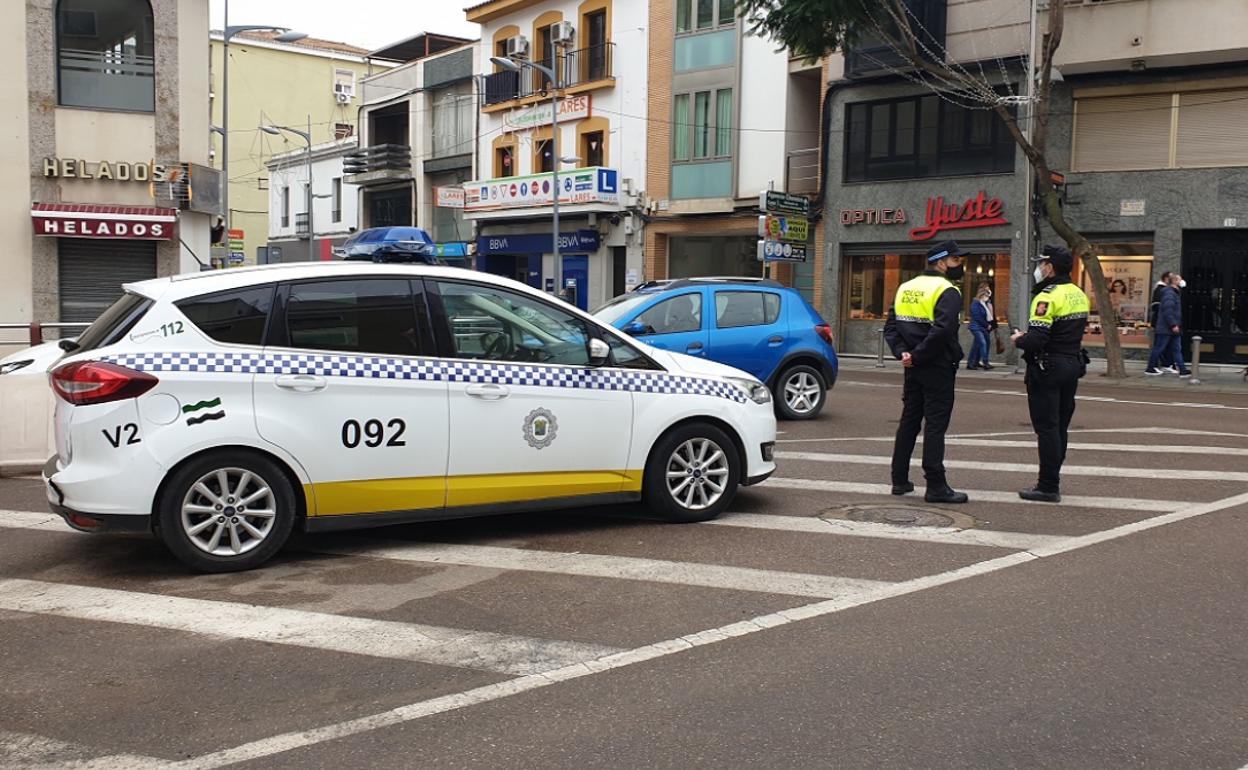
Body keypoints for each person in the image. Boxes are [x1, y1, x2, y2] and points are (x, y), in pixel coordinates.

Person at [884, 240, 969, 504]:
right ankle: (936, 486)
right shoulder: (948, 290)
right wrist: (918, 356)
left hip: (912, 366)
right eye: (957, 261)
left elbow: (891, 328)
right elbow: (943, 331)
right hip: (937, 365)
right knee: (935, 425)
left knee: (909, 421)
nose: (960, 266)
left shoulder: (905, 288)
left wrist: (904, 354)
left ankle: (899, 479)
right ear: (942, 262)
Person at [1011, 244, 1090, 503]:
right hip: (1071, 365)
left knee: (1046, 428)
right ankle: (1053, 478)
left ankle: (1047, 486)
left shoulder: (1047, 296)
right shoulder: (1078, 293)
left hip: (1048, 368)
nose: (1040, 268)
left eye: (1043, 263)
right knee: (1060, 427)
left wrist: (1018, 339)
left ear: (1051, 266)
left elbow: (1037, 340)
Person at [1145, 273, 1191, 377]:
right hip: (1166, 327)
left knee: (1176, 348)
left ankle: (1182, 369)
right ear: (1174, 282)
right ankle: (1150, 367)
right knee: (1160, 347)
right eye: (1179, 279)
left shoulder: (1173, 293)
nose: (1182, 281)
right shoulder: (1169, 293)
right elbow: (1168, 310)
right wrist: (1173, 324)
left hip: (1171, 326)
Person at [1149, 272, 1175, 372]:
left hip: (1164, 322)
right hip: (1161, 323)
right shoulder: (1160, 290)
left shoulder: (1165, 290)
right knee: (1159, 345)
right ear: (1166, 279)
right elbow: (1157, 306)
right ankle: (1153, 366)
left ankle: (1166, 364)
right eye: (1172, 278)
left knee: (1165, 344)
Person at [967, 284, 996, 371]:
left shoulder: (984, 303)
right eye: (986, 295)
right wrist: (987, 325)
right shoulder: (976, 303)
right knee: (983, 343)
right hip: (976, 327)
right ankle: (985, 362)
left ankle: (972, 363)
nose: (987, 297)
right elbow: (977, 316)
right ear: (981, 295)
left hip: (983, 327)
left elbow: (989, 315)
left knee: (978, 345)